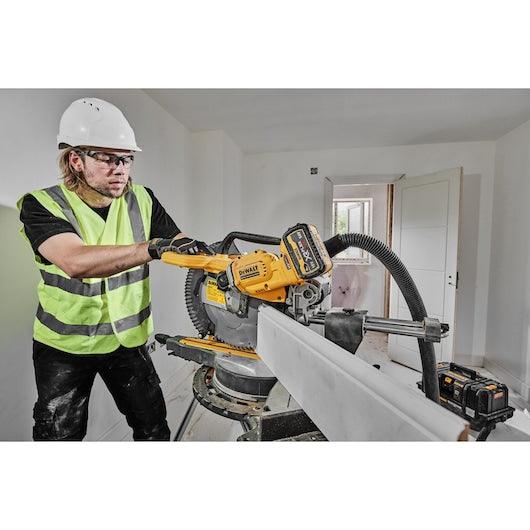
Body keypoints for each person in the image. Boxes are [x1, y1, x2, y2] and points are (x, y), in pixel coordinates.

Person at [17, 97, 211, 441]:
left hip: (128, 341)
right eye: (108, 158)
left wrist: (218, 262)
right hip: (64, 347)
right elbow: (74, 261)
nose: (121, 168)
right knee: (59, 439)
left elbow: (178, 243)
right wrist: (152, 248)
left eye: (126, 159)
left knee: (153, 430)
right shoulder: (42, 204)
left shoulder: (143, 199)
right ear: (76, 160)